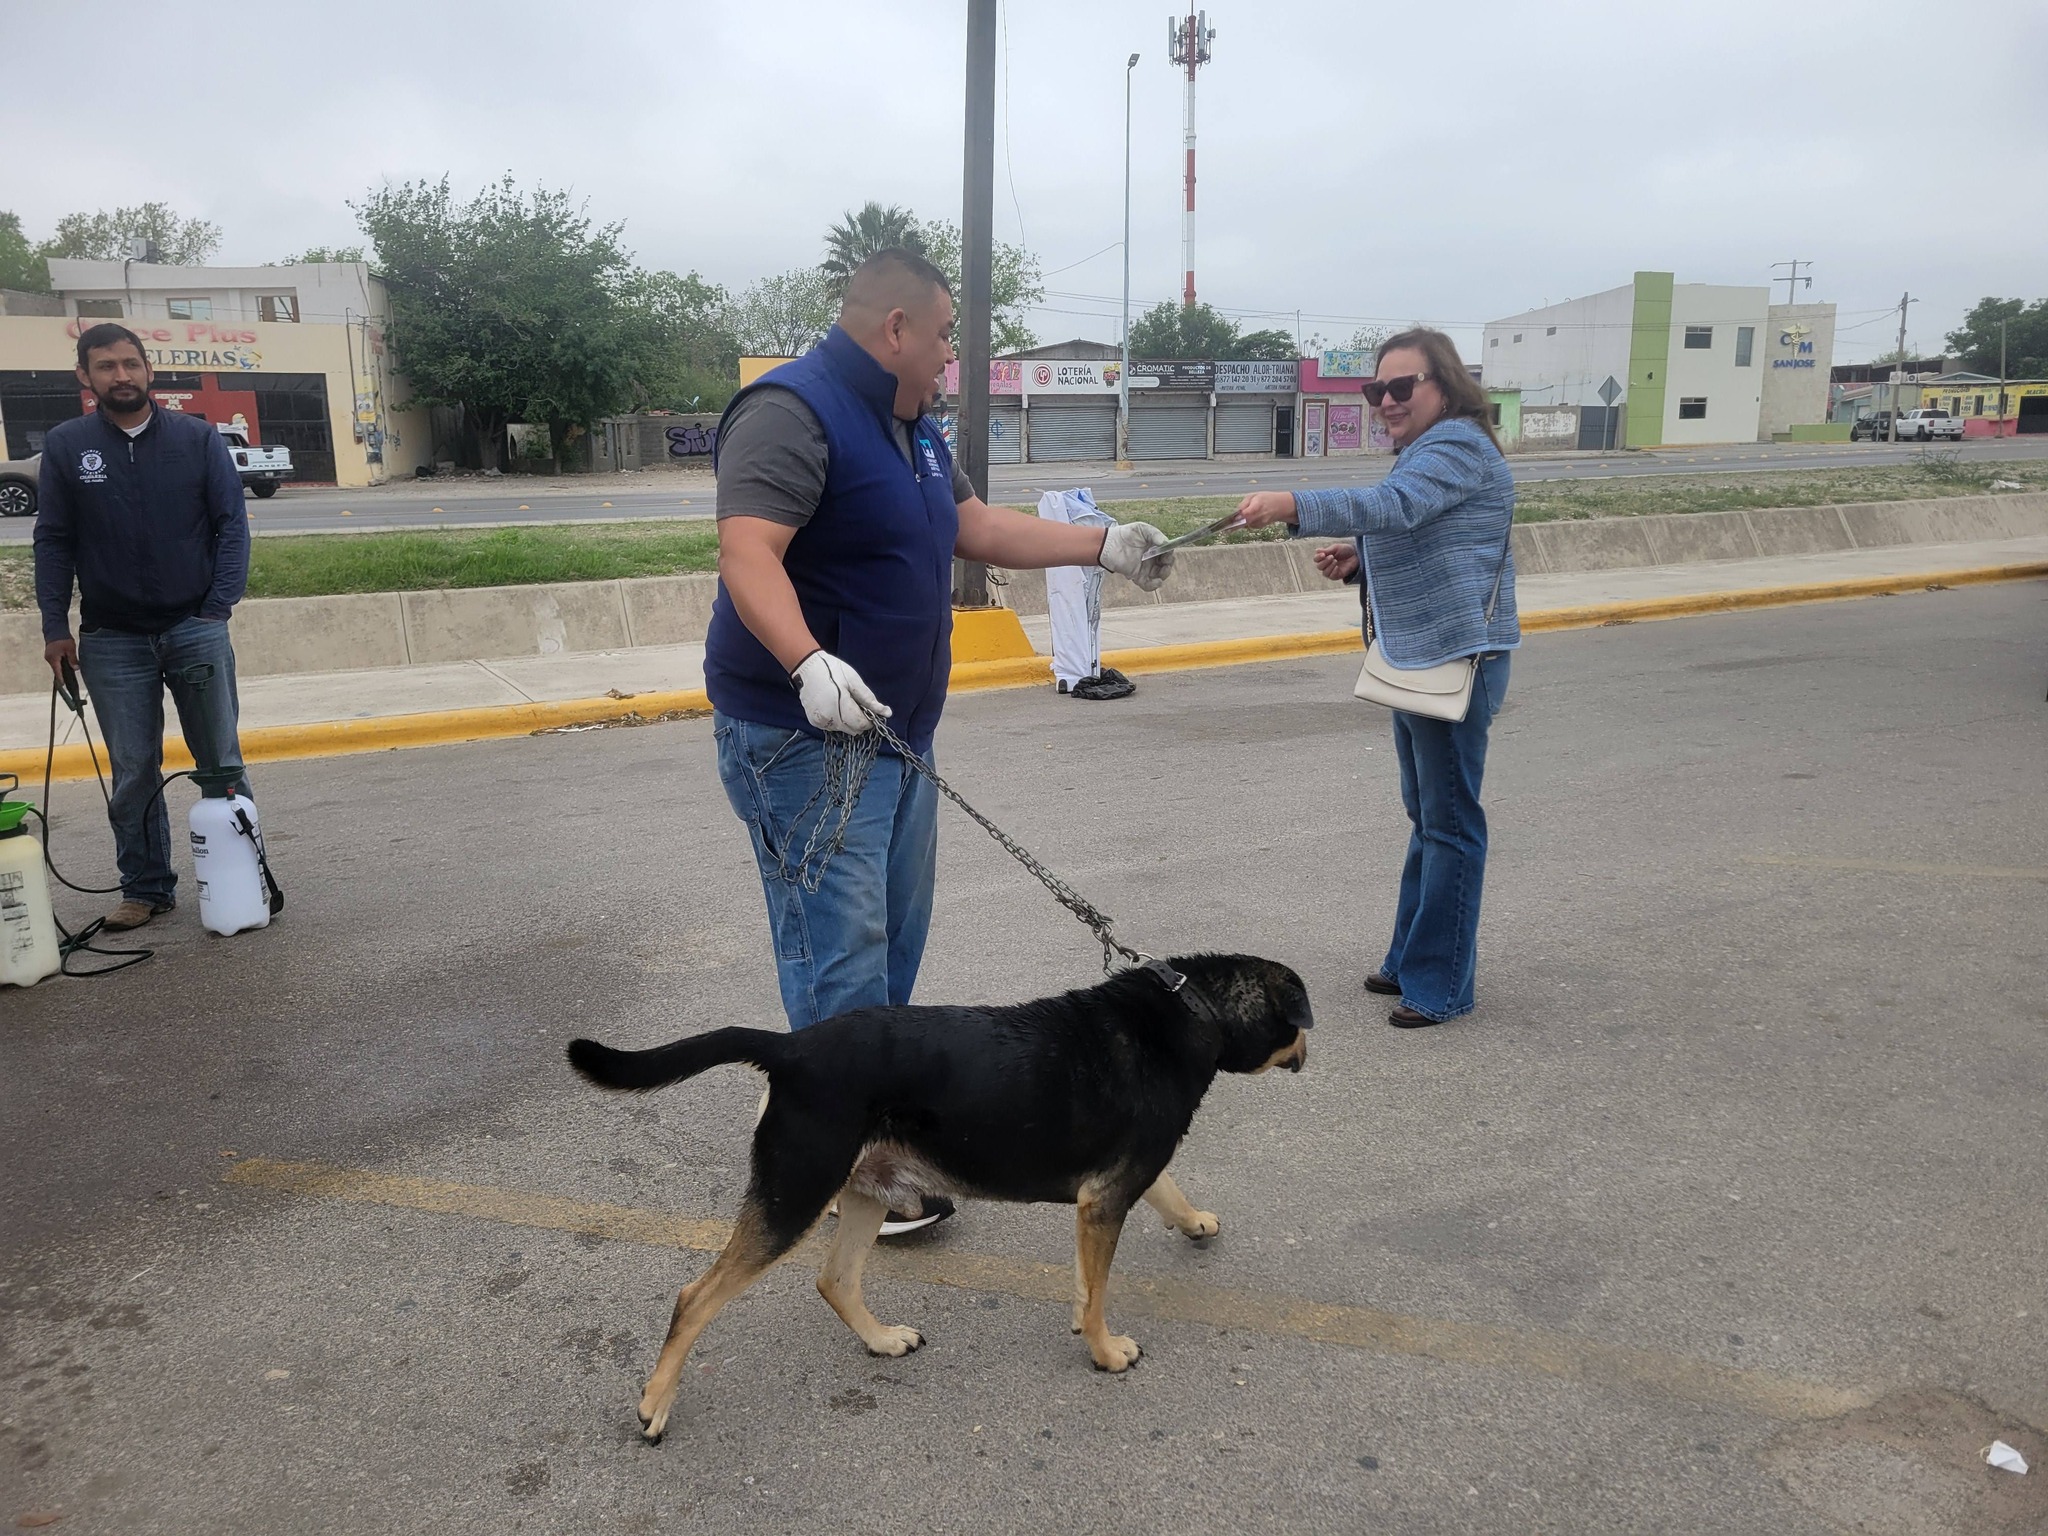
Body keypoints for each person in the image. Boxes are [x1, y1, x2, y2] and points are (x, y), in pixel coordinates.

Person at [706, 248, 1175, 1232]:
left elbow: (972, 526)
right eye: (948, 338)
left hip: (896, 735)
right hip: (806, 737)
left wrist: (1102, 545)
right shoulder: (792, 412)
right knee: (843, 958)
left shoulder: (911, 428)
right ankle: (849, 1160)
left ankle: (863, 1127)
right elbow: (748, 551)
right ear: (896, 331)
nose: (954, 360)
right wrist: (804, 661)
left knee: (894, 944)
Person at [1235, 327, 1518, 1029]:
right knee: (1431, 818)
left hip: (1455, 655)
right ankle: (1409, 959)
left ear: (1443, 387)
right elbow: (1426, 533)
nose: (1386, 401)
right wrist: (1361, 562)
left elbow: (1398, 509)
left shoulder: (1454, 443)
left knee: (1450, 824)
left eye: (1401, 387)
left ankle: (1441, 983)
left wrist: (1295, 505)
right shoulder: (1426, 449)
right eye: (1375, 390)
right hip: (1421, 653)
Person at [35, 323, 254, 933]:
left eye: (130, 363)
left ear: (149, 369)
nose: (120, 375)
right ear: (85, 376)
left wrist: (218, 607)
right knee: (133, 771)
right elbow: (53, 540)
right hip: (111, 639)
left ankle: (245, 874)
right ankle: (146, 887)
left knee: (222, 762)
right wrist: (57, 627)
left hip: (194, 628)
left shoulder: (196, 438)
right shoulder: (66, 445)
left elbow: (231, 525)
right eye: (105, 366)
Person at [1038, 488, 1135, 700]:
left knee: (1075, 605)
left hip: (1077, 557)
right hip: (1076, 557)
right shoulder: (1062, 509)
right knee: (1074, 604)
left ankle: (1080, 671)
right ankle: (1077, 671)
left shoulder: (1064, 509)